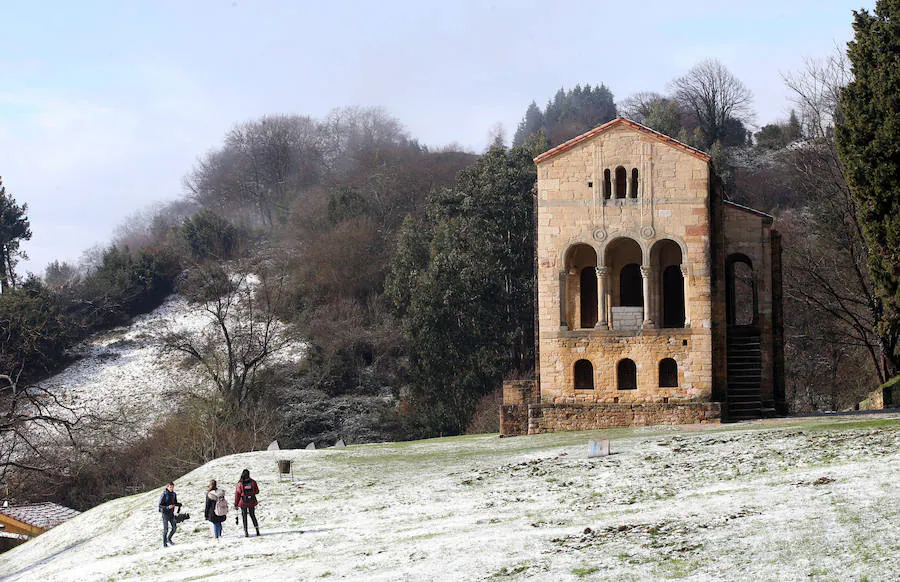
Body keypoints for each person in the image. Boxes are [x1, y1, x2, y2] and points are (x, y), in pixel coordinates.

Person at [234, 468, 260, 537]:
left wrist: (236, 504)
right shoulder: (253, 482)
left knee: (244, 517)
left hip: (243, 502)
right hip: (251, 501)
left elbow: (237, 494)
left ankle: (246, 532)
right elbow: (257, 491)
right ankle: (257, 530)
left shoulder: (240, 483)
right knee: (253, 516)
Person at [158, 481, 181, 547]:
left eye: (172, 487)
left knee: (174, 528)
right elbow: (160, 505)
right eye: (170, 487)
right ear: (167, 487)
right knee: (166, 530)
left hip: (171, 513)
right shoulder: (164, 494)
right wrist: (167, 507)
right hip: (165, 514)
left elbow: (175, 502)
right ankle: (164, 544)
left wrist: (179, 504)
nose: (171, 488)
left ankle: (169, 539)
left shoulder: (174, 494)